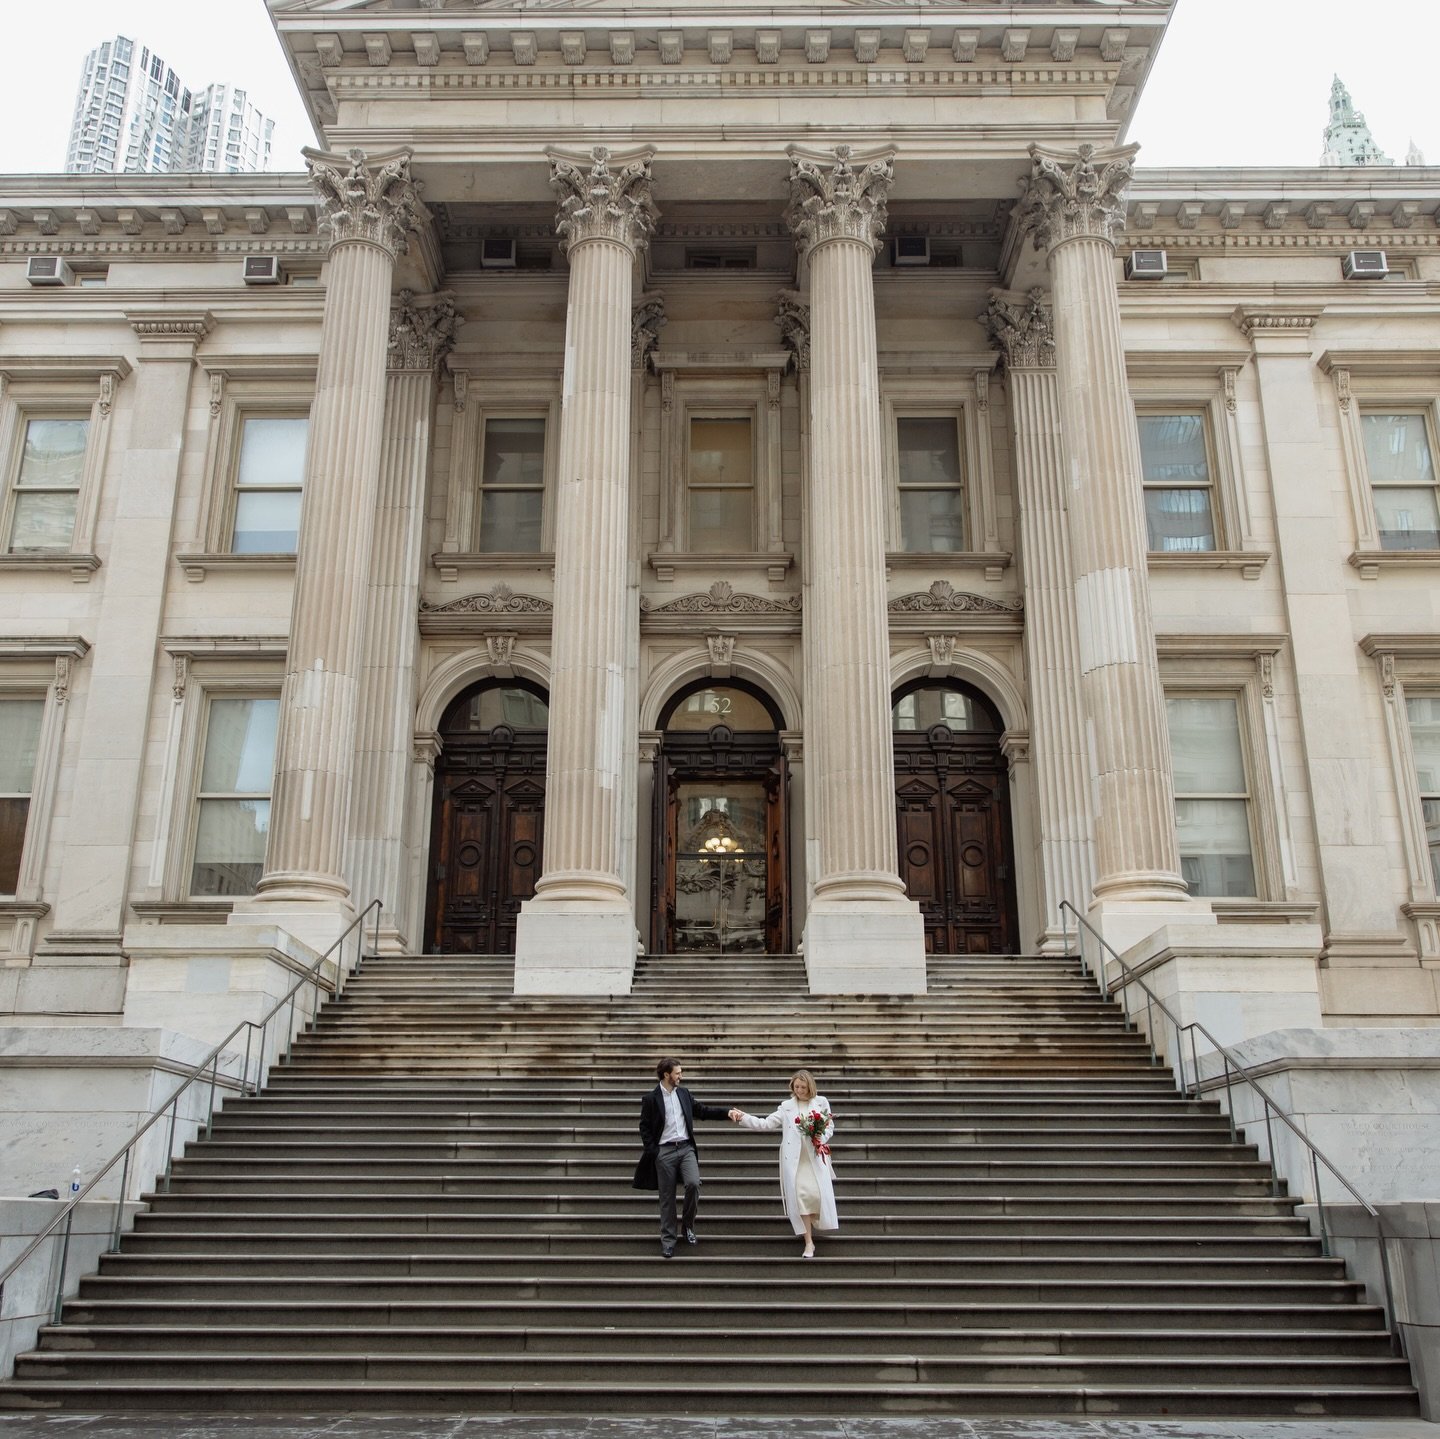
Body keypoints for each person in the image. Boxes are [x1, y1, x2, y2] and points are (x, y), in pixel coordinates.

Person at [634, 1058, 741, 1258]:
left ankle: (688, 1226)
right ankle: (668, 1240)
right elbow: (644, 1127)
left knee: (693, 1183)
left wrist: (727, 1112)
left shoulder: (683, 1093)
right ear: (667, 1075)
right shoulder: (651, 1099)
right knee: (667, 1198)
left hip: (685, 1149)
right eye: (677, 1073)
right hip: (664, 1152)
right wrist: (653, 1152)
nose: (680, 1076)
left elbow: (702, 1111)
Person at [733, 1069, 837, 1259]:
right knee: (801, 1198)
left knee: (816, 1195)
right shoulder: (787, 1106)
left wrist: (820, 1135)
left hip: (813, 1156)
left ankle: (814, 1225)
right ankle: (808, 1242)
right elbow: (766, 1123)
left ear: (810, 1087)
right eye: (796, 1087)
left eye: (803, 1087)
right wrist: (744, 1117)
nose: (799, 1090)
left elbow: (829, 1125)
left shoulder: (821, 1102)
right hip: (795, 1161)